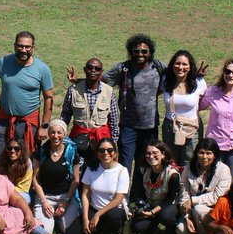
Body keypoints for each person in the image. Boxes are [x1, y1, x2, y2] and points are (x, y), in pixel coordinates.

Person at [0, 31, 54, 156]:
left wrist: (45, 125)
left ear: (33, 48)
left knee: (25, 159)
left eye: (27, 47)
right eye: (20, 46)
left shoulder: (42, 69)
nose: (24, 50)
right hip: (4, 119)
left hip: (28, 121)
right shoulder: (4, 62)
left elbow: (49, 98)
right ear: (15, 46)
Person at [100, 34, 166, 173]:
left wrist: (197, 76)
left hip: (150, 126)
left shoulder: (158, 67)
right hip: (127, 126)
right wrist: (79, 81)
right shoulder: (123, 68)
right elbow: (100, 80)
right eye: (136, 51)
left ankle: (140, 194)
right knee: (125, 165)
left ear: (150, 52)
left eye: (144, 51)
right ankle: (122, 194)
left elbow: (178, 75)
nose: (140, 54)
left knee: (146, 165)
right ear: (131, 52)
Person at [176, 138, 232, 234]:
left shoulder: (223, 170)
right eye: (201, 153)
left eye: (208, 153)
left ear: (215, 155)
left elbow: (217, 196)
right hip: (191, 210)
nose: (204, 157)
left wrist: (193, 200)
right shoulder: (188, 168)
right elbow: (184, 191)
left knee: (199, 209)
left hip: (214, 212)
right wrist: (186, 216)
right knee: (181, 230)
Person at [59, 57, 118, 164]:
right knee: (77, 172)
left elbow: (113, 120)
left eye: (97, 68)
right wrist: (60, 135)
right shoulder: (73, 90)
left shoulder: (109, 91)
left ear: (101, 72)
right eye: (90, 67)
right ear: (85, 69)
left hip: (102, 142)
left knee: (100, 174)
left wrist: (112, 144)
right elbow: (65, 115)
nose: (93, 70)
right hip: (79, 141)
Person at [31, 120, 82, 234]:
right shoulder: (41, 151)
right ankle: (52, 218)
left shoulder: (71, 152)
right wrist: (43, 202)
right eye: (52, 132)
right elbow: (35, 179)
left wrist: (66, 201)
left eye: (59, 132)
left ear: (64, 134)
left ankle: (59, 218)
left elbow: (75, 180)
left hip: (65, 197)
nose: (55, 136)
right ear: (48, 134)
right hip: (46, 197)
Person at [199, 58, 233, 176]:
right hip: (216, 146)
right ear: (223, 72)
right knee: (214, 180)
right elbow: (196, 106)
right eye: (227, 71)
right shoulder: (213, 92)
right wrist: (197, 79)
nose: (230, 75)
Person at [124, 140, 180, 234]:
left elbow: (169, 199)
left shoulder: (173, 175)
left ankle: (171, 227)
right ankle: (152, 225)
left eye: (155, 153)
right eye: (148, 153)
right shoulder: (143, 169)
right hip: (150, 204)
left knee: (165, 215)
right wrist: (137, 207)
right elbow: (137, 191)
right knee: (138, 226)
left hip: (168, 206)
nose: (151, 156)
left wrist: (152, 212)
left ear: (163, 154)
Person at [80, 139, 130, 234]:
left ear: (115, 153)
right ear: (98, 154)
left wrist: (98, 214)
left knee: (112, 215)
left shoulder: (122, 171)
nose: (106, 153)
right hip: (94, 208)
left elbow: (117, 199)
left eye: (110, 150)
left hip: (113, 211)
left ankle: (115, 232)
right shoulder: (91, 168)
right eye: (102, 150)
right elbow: (85, 194)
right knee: (74, 233)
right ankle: (99, 231)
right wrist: (85, 219)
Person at [161, 50, 207, 166]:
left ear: (191, 67)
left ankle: (186, 184)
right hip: (170, 126)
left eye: (185, 64)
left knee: (189, 162)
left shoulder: (199, 82)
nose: (180, 67)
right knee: (171, 161)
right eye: (177, 63)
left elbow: (205, 101)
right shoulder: (165, 81)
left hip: (191, 127)